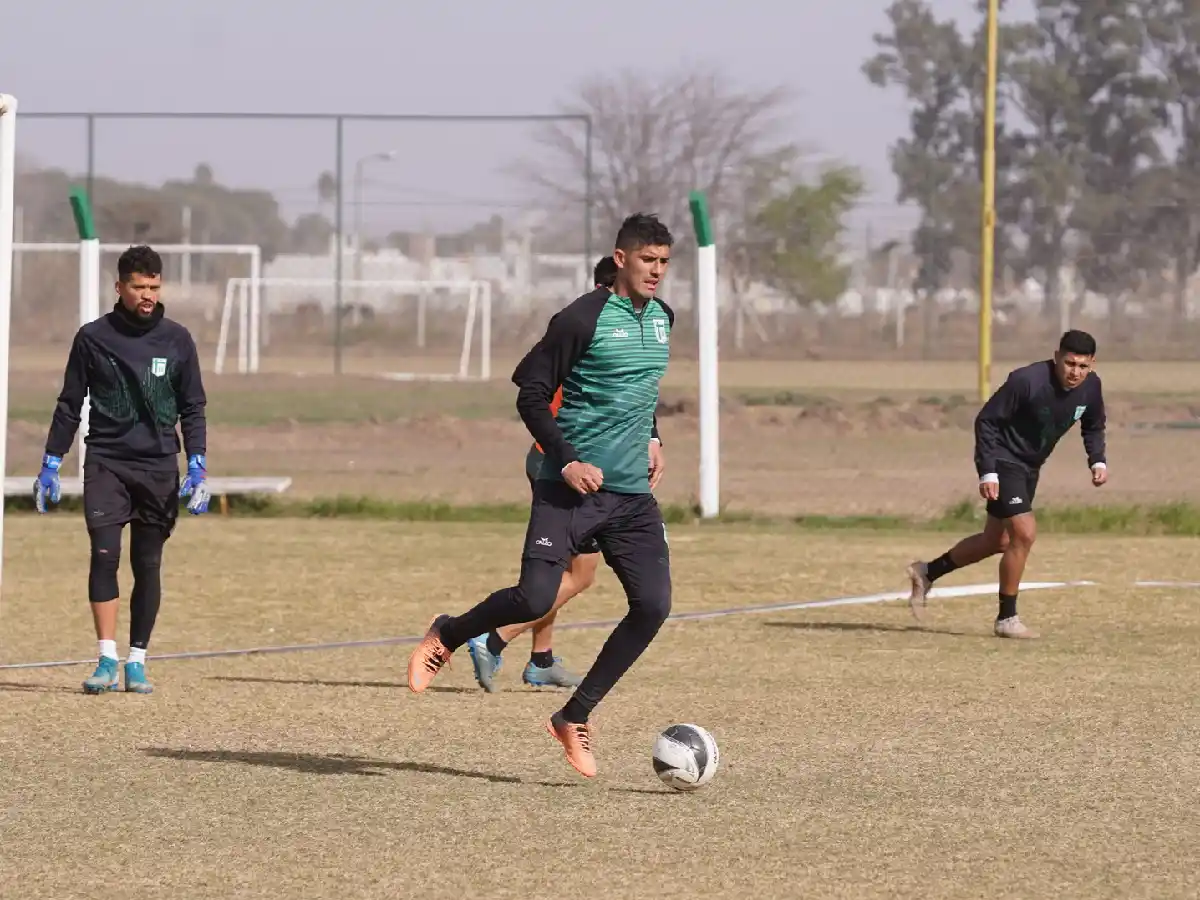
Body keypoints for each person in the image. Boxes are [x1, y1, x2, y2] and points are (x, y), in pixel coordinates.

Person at [407, 214, 674, 778]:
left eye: (665, 262)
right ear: (621, 258)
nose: (657, 271)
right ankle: (448, 633)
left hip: (629, 496)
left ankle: (573, 715)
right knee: (533, 597)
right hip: (568, 486)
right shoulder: (580, 318)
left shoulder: (664, 320)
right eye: (648, 260)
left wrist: (652, 436)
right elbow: (531, 392)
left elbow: (640, 386)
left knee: (652, 606)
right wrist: (568, 458)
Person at [34, 245, 211, 695]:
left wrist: (197, 462)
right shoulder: (93, 338)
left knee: (147, 564)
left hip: (157, 467)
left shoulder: (177, 340)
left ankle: (138, 661)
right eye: (138, 287)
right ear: (120, 287)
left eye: (153, 287)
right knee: (104, 556)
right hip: (107, 462)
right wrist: (51, 462)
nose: (147, 295)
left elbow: (193, 407)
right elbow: (69, 405)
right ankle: (106, 659)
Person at [465, 256, 625, 693]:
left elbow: (523, 372)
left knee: (563, 571)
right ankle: (494, 637)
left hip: (562, 459)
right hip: (560, 463)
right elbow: (528, 383)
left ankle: (541, 659)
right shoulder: (584, 327)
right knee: (581, 575)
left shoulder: (600, 330)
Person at [906, 330, 1107, 638]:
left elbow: (1093, 425)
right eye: (1069, 363)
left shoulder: (1091, 387)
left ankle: (927, 572)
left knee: (997, 542)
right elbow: (986, 420)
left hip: (1030, 467)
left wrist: (1097, 460)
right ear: (1056, 357)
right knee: (1025, 534)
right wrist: (987, 471)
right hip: (1003, 460)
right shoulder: (1026, 381)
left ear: (1092, 364)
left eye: (1083, 366)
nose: (1075, 372)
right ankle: (1007, 619)